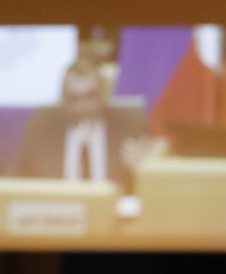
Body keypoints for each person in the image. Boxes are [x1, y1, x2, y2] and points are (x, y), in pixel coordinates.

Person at [18, 59, 156, 194]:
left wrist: (145, 168)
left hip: (112, 214)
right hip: (59, 214)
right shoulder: (40, 131)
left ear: (103, 94)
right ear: (63, 99)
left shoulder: (130, 127)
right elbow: (18, 183)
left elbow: (152, 187)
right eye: (74, 98)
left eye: (90, 96)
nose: (82, 106)